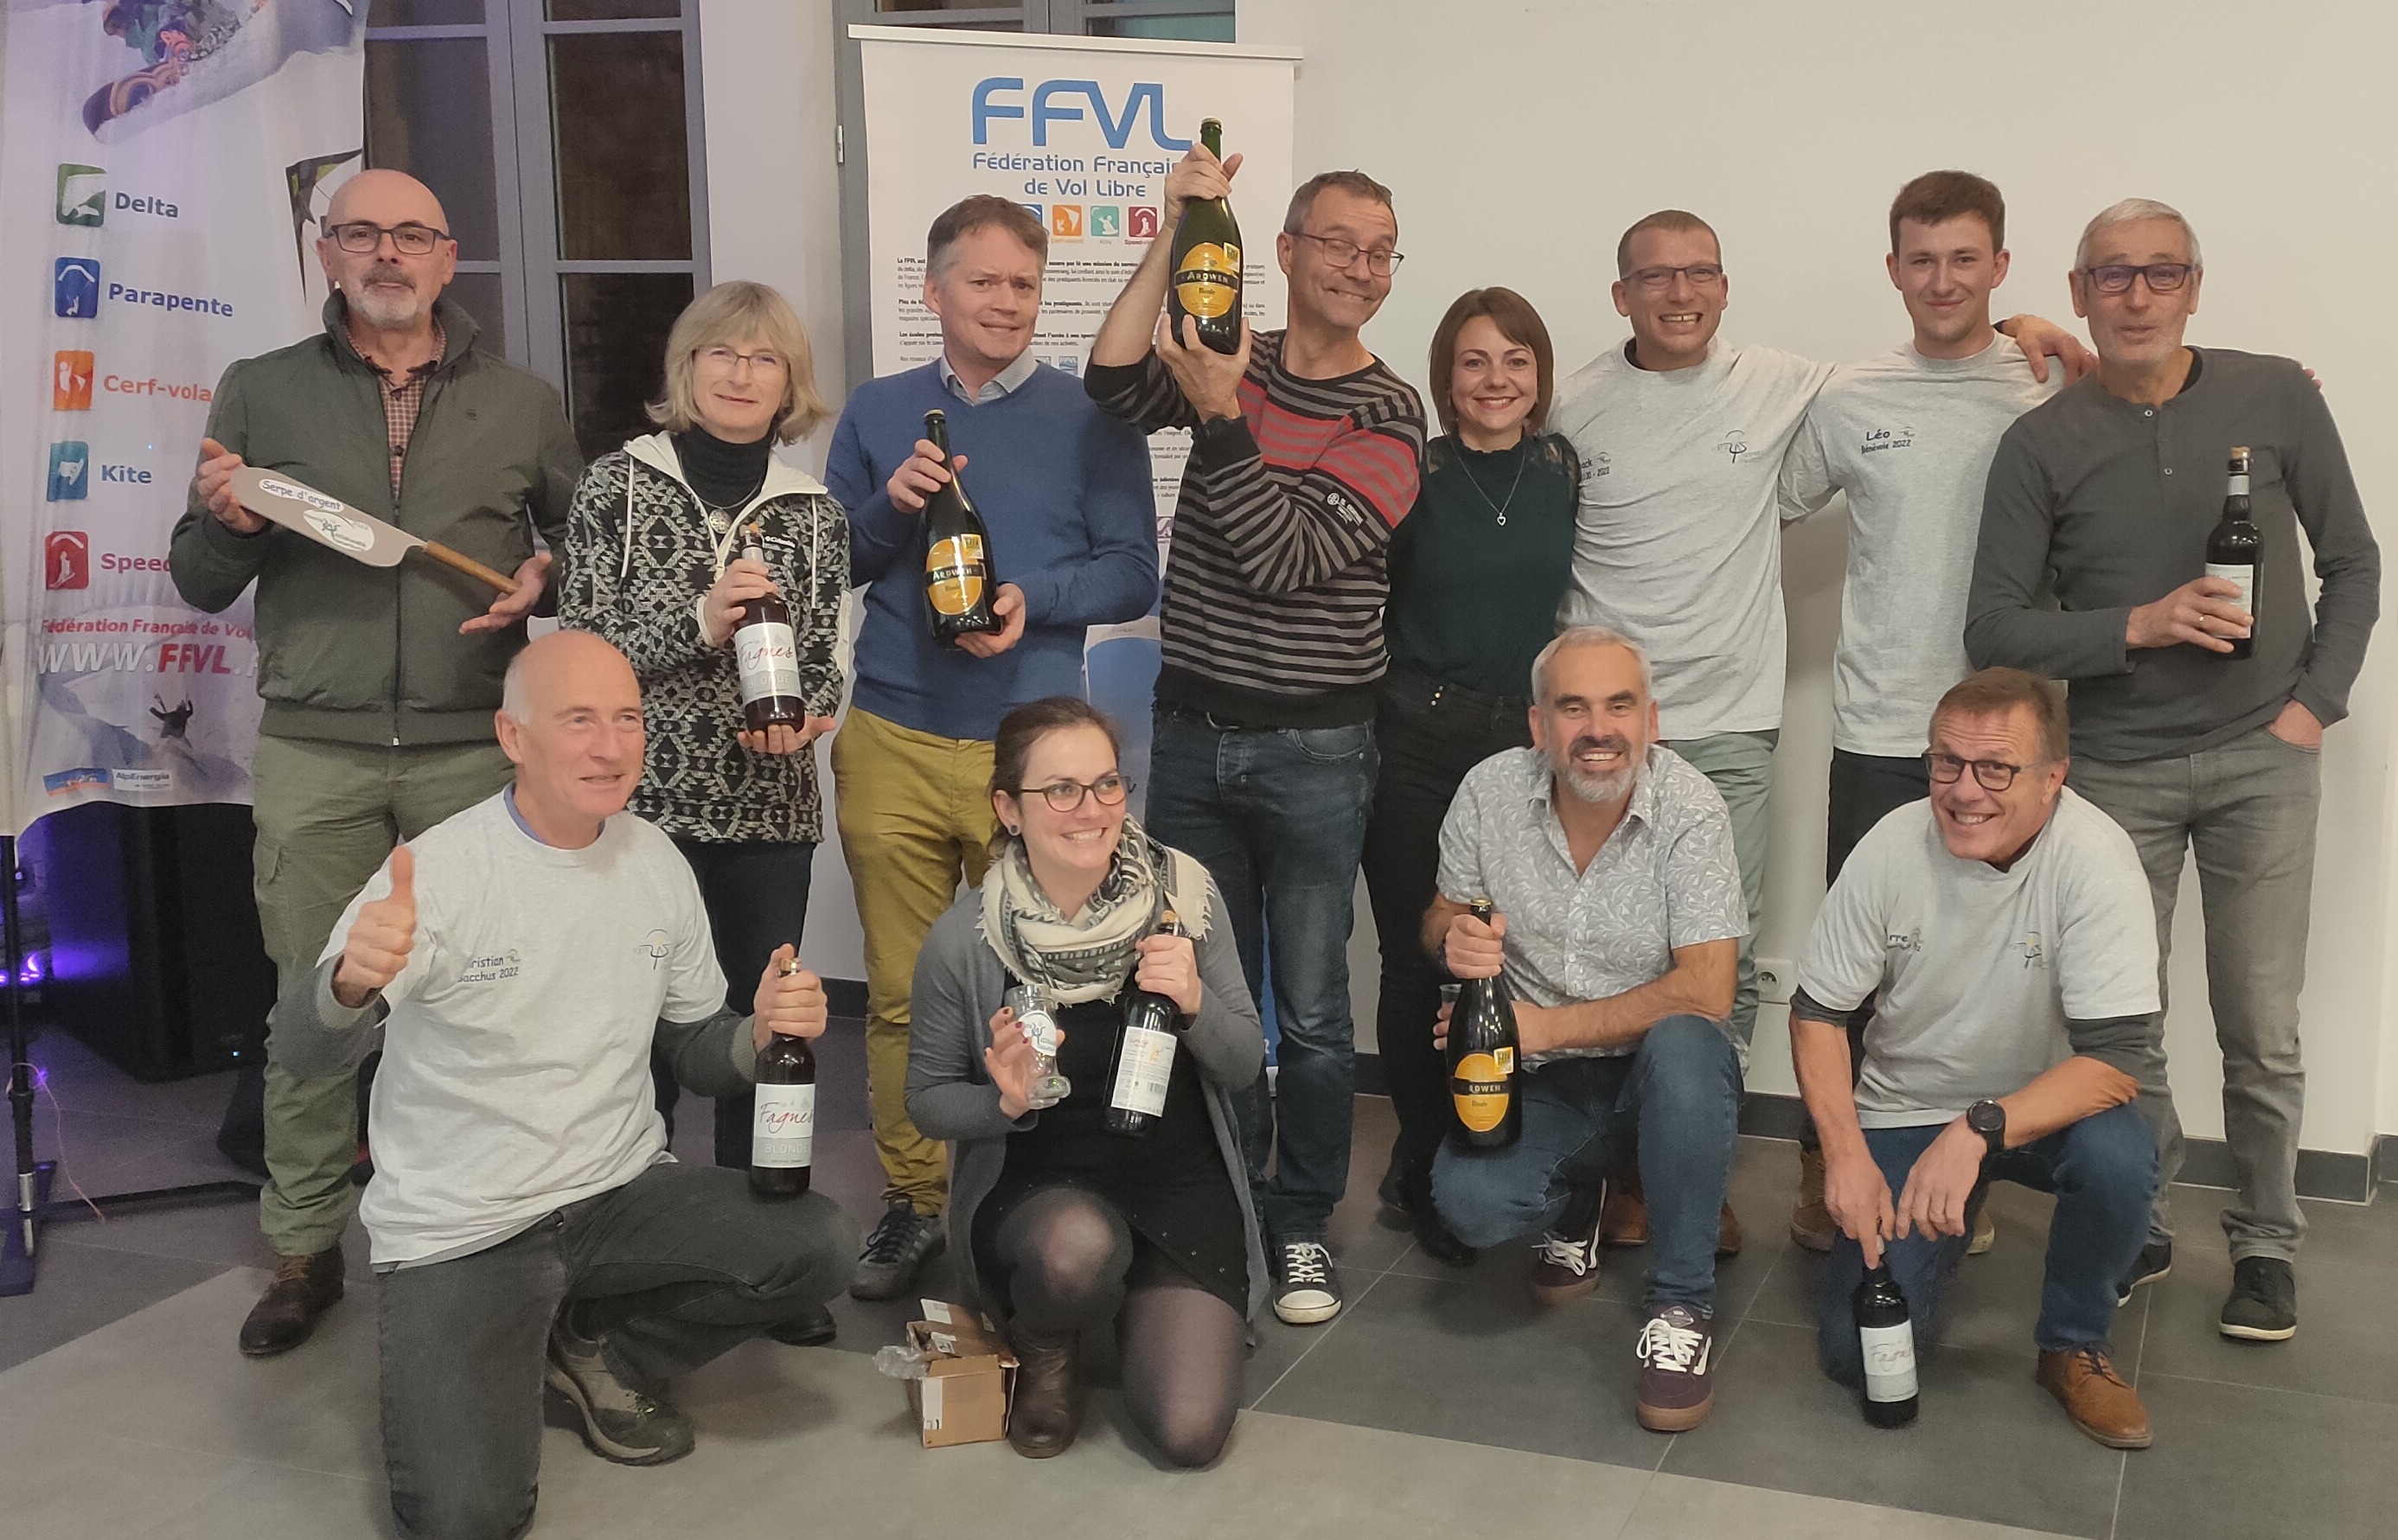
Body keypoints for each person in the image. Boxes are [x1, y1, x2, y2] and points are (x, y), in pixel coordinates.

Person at [1549, 208, 2087, 1252]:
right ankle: (1612, 1175)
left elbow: (1982, 358)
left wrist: (2022, 324)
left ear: (1724, 285)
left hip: (1732, 723)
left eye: (1699, 272)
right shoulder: (1576, 401)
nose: (1679, 293)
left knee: (1729, 957)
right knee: (1602, 950)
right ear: (1620, 294)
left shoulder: (1801, 383)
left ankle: (1697, 1181)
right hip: (1611, 729)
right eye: (1654, 277)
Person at [266, 630, 857, 1540]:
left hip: (616, 1192)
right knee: (466, 1516)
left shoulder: (655, 861)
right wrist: (346, 984)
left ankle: (591, 1347)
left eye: (627, 719)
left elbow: (696, 1049)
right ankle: (509, 1340)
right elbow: (303, 1055)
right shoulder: (439, 874)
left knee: (817, 1244)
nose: (611, 746)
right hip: (466, 1227)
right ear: (514, 736)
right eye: (579, 720)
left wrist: (759, 1031)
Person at [169, 168, 580, 1359]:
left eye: (411, 235)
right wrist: (228, 525)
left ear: (448, 257)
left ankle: (483, 1235)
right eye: (360, 233)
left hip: (471, 750)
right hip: (317, 749)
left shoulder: (522, 401)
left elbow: (580, 548)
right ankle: (304, 1247)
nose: (386, 254)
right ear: (327, 255)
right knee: (314, 1004)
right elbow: (197, 579)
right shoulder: (262, 389)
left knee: (483, 1003)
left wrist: (547, 575)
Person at [1967, 198, 2381, 1342]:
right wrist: (2137, 626)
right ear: (2080, 291)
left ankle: (2265, 1241)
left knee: (2260, 1021)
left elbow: (2352, 560)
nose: (2137, 294)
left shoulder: (2276, 394)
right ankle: (2136, 1217)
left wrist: (2313, 706)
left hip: (2263, 758)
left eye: (2161, 272)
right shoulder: (2039, 444)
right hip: (2114, 769)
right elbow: (1992, 628)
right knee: (2121, 1021)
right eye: (2113, 275)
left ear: (2195, 286)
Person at [1087, 150, 1427, 1326]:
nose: (1360, 268)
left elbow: (1285, 560)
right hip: (1188, 733)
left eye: (1380, 252)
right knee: (1202, 997)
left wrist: (1220, 407)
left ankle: (1300, 1224)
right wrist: (1173, 230)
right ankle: (1222, 1206)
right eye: (1337, 243)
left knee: (1315, 1013)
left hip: (1316, 751)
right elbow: (1109, 381)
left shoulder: (1391, 412)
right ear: (1280, 251)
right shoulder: (1233, 350)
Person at [825, 195, 1158, 1302]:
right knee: (900, 990)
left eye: (1024, 283)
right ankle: (914, 1201)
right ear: (933, 290)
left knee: (1046, 982)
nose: (1006, 301)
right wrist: (889, 506)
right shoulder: (880, 410)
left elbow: (1133, 570)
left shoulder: (1091, 415)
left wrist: (1033, 595)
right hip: (891, 733)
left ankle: (1043, 1187)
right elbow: (836, 557)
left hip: (1033, 755)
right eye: (983, 280)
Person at [1775, 171, 2061, 1254]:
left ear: (1999, 266)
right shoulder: (1851, 395)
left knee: (1980, 975)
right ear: (1893, 268)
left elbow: (2154, 390)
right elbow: (1759, 498)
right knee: (1855, 968)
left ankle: (1958, 1173)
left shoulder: (2046, 384)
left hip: (2011, 738)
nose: (1942, 281)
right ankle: (1827, 1163)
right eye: (1922, 260)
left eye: (1964, 259)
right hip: (1880, 726)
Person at [1794, 668, 2162, 1448]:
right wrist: (1845, 1154)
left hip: (2043, 1110)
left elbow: (2115, 1061)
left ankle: (2072, 1344)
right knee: (1856, 1357)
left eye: (1996, 768)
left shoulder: (2096, 858)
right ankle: (1945, 1219)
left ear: (2052, 777)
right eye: (1946, 762)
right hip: (1906, 1107)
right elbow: (1818, 1012)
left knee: (2121, 1154)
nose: (1964, 791)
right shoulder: (1889, 846)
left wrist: (1976, 1131)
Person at [907, 697, 1267, 1466]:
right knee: (1076, 1249)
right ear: (1008, 808)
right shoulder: (965, 939)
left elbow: (1242, 1065)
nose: (1092, 809)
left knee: (1189, 1433)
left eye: (1106, 784)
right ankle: (1046, 1337)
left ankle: (1137, 1299)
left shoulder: (1186, 898)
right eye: (1061, 790)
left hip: (1176, 1181)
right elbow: (927, 1100)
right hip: (1042, 1190)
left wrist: (1195, 1003)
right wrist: (1003, 1101)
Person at [559, 281, 847, 1185]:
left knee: (762, 1029)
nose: (741, 374)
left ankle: (755, 1222)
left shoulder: (815, 513)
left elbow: (826, 658)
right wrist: (699, 621)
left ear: (789, 382)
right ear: (686, 367)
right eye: (722, 352)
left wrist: (809, 716)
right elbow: (579, 650)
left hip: (769, 817)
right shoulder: (613, 485)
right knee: (631, 1030)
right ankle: (623, 1208)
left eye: (765, 358)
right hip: (635, 815)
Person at [1429, 628, 1747, 1433]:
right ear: (1539, 725)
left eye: (1618, 706)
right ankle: (1576, 1205)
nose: (1597, 729)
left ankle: (1680, 1306)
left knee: (1687, 1040)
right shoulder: (1486, 791)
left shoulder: (1691, 806)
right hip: (1541, 1079)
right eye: (1572, 708)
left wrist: (1543, 1028)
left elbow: (1708, 986)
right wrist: (1451, 938)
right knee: (1470, 1203)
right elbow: (1442, 913)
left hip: (1658, 1073)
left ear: (1651, 720)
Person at [1360, 287, 1577, 1268]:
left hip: (1527, 751)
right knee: (1421, 958)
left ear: (1539, 374)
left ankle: (1485, 1145)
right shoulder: (1414, 471)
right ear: (1446, 379)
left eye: (1515, 360)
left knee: (1508, 956)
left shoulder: (1563, 470)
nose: (1496, 380)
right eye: (1475, 361)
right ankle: (1421, 1162)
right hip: (1417, 736)